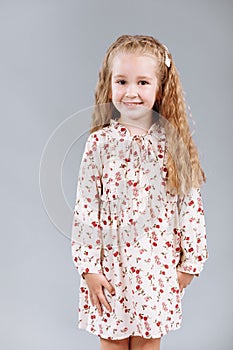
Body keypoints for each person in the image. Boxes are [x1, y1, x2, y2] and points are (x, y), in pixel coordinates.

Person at [71, 34, 209, 350]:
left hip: (157, 268)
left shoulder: (173, 144)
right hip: (111, 267)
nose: (131, 92)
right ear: (109, 85)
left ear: (160, 88)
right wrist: (89, 267)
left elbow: (190, 204)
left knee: (148, 342)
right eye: (122, 81)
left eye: (143, 82)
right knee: (113, 341)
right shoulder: (100, 144)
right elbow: (86, 207)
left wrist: (190, 263)